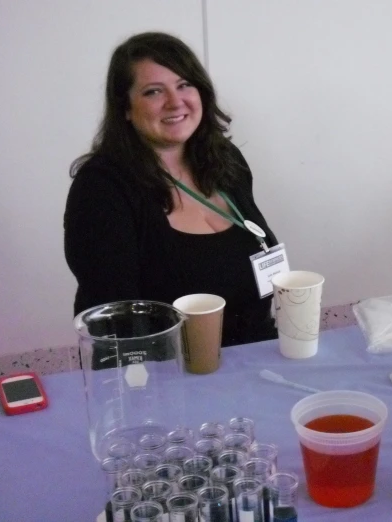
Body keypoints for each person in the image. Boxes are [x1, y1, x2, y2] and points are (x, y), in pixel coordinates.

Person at [64, 32, 277, 349]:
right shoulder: (102, 189)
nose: (176, 102)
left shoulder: (225, 163)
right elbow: (116, 324)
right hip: (167, 378)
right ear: (125, 108)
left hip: (257, 358)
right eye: (153, 91)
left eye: (184, 85)